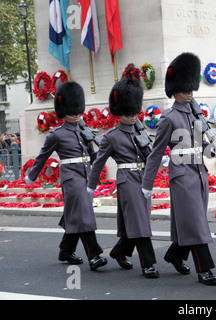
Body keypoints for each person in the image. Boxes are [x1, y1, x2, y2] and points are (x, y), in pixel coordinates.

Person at [141, 52, 216, 285]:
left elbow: (200, 145)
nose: (190, 93)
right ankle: (204, 269)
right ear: (175, 91)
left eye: (191, 89)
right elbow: (156, 153)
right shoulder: (168, 118)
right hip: (182, 175)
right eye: (186, 89)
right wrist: (147, 184)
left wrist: (212, 149)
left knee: (191, 219)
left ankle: (175, 254)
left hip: (199, 173)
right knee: (195, 222)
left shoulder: (196, 116)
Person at [25, 81, 107, 270]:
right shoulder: (57, 134)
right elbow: (42, 156)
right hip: (71, 178)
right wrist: (32, 176)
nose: (78, 113)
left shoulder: (83, 130)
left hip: (85, 175)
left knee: (76, 214)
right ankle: (94, 255)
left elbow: (92, 155)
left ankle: (65, 250)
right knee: (84, 214)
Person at [87, 77, 158, 279]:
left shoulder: (140, 130)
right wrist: (91, 187)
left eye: (135, 111)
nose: (133, 116)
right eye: (129, 112)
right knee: (140, 222)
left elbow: (149, 155)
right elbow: (99, 163)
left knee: (136, 221)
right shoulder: (111, 136)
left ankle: (120, 251)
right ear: (121, 113)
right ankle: (148, 263)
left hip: (143, 178)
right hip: (127, 180)